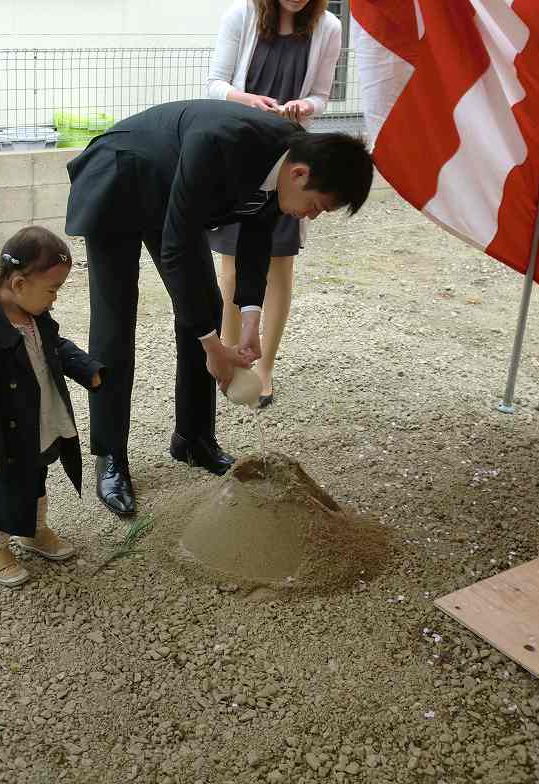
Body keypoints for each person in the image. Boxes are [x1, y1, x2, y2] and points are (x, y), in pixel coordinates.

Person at [65, 99, 373, 517]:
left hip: (178, 196)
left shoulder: (291, 158)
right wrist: (214, 348)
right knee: (116, 321)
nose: (312, 217)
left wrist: (250, 323)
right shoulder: (221, 143)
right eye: (316, 206)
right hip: (122, 176)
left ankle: (193, 440)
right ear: (299, 174)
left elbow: (256, 237)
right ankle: (111, 457)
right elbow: (176, 250)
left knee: (204, 307)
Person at [207, 0, 342, 408]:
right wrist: (249, 100)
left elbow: (324, 95)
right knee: (230, 265)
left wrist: (302, 106)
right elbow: (216, 84)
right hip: (238, 152)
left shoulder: (328, 27)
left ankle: (263, 368)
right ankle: (226, 358)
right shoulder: (241, 15)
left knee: (279, 266)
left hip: (289, 155)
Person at [0, 225, 104, 588]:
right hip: (3, 435)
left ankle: (32, 530)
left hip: (38, 420)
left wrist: (88, 370)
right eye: (52, 290)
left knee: (36, 478)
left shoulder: (35, 316)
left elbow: (57, 347)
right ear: (19, 285)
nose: (55, 298)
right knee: (1, 491)